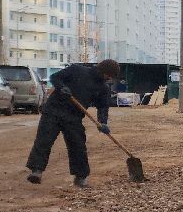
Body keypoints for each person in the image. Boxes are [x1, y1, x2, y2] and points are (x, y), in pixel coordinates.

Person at [25, 59, 120, 187]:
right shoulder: (77, 70)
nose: (109, 78)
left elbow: (103, 106)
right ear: (102, 70)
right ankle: (36, 171)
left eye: (111, 76)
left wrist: (103, 122)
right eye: (109, 75)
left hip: (74, 117)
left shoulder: (103, 88)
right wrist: (61, 87)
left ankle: (80, 177)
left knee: (78, 146)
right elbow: (55, 77)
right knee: (44, 141)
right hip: (53, 111)